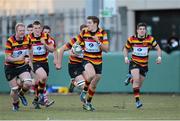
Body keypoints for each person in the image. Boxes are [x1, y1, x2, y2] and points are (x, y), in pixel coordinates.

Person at [123, 22, 162, 108]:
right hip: (134, 62)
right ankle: (138, 102)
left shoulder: (150, 39)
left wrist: (159, 57)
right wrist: (125, 57)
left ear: (146, 31)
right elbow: (125, 48)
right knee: (136, 80)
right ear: (137, 30)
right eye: (140, 29)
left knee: (138, 85)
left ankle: (130, 78)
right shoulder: (132, 39)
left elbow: (158, 48)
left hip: (144, 65)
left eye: (143, 29)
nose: (142, 31)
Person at [76, 16, 109, 111]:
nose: (87, 24)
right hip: (87, 59)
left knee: (94, 85)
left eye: (89, 23)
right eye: (87, 22)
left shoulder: (102, 33)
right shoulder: (84, 32)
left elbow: (106, 49)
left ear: (95, 24)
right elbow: (77, 44)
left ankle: (88, 103)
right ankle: (84, 91)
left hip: (98, 61)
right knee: (91, 75)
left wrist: (98, 41)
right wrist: (76, 48)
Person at [4, 23, 32, 111]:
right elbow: (7, 58)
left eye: (23, 30)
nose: (22, 32)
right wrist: (18, 59)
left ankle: (21, 94)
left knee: (28, 83)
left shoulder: (27, 39)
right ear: (16, 31)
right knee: (15, 89)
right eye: (20, 31)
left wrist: (28, 59)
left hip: (21, 65)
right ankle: (15, 104)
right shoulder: (10, 41)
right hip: (10, 67)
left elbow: (30, 50)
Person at [28, 20, 55, 109]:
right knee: (42, 77)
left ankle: (36, 99)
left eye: (39, 28)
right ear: (33, 29)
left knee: (42, 82)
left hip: (45, 62)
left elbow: (52, 49)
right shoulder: (28, 38)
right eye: (35, 28)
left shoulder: (46, 37)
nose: (37, 30)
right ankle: (43, 98)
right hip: (35, 62)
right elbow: (26, 50)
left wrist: (45, 44)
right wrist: (29, 62)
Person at [56, 24, 87, 93]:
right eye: (83, 31)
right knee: (84, 86)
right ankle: (75, 83)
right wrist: (59, 64)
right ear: (80, 32)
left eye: (87, 31)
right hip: (74, 66)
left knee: (90, 84)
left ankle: (74, 82)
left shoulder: (89, 41)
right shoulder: (75, 40)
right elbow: (61, 49)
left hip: (83, 64)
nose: (85, 33)